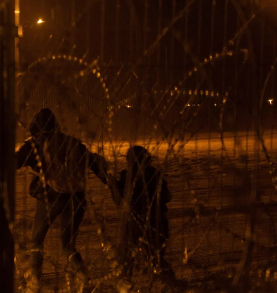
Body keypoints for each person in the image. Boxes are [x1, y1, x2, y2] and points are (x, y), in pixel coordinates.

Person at [16, 108, 108, 292]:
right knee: (67, 243)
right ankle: (84, 278)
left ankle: (34, 282)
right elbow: (93, 162)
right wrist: (111, 184)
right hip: (77, 197)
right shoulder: (72, 142)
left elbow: (15, 161)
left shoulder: (34, 145)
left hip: (52, 197)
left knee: (36, 241)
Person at [108, 145, 173, 287]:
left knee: (126, 257)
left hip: (136, 223)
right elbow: (167, 197)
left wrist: (113, 185)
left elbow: (119, 201)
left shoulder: (127, 176)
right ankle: (171, 284)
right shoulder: (156, 174)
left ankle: (125, 285)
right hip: (158, 222)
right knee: (157, 259)